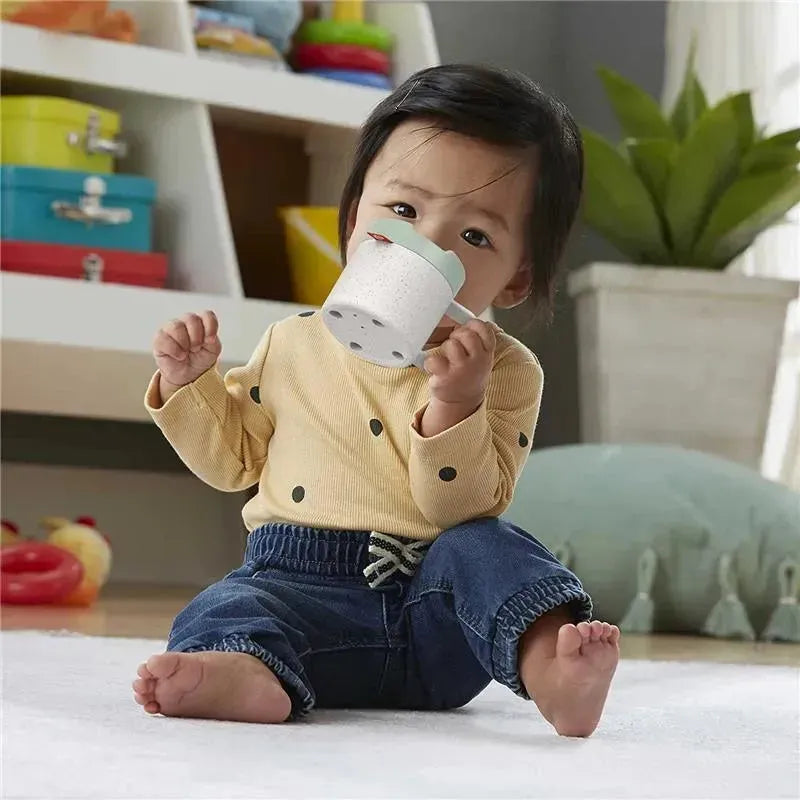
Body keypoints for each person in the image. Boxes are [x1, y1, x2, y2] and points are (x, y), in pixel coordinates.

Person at [132, 64, 620, 738]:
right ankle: (247, 669)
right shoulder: (290, 343)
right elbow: (230, 462)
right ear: (353, 215)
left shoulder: (507, 372)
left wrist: (456, 404)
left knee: (490, 548)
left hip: (433, 617)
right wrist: (191, 383)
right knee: (226, 604)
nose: (427, 248)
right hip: (295, 591)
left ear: (517, 278)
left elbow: (460, 510)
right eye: (404, 211)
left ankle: (551, 673)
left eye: (475, 237)